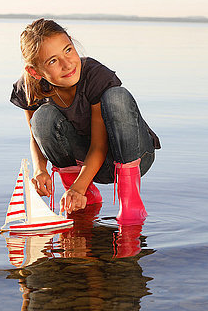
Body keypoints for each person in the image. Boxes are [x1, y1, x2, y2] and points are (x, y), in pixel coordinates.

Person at [10, 19, 161, 225]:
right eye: (52, 61)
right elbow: (35, 136)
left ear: (72, 43)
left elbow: (99, 145)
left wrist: (78, 185)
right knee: (41, 118)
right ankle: (83, 199)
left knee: (116, 96)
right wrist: (40, 169)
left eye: (68, 50)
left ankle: (131, 203)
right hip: (86, 165)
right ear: (35, 72)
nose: (67, 64)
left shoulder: (95, 75)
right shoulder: (28, 87)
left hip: (132, 155)